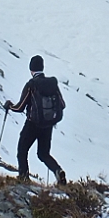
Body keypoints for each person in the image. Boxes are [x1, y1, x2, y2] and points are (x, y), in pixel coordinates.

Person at [6, 55, 66, 184]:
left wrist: (9, 106)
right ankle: (58, 171)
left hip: (32, 124)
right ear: (42, 68)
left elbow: (20, 107)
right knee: (43, 154)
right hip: (48, 125)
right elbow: (62, 104)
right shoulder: (52, 84)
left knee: (22, 150)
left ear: (31, 69)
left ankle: (24, 178)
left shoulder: (31, 85)